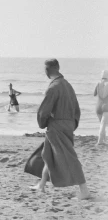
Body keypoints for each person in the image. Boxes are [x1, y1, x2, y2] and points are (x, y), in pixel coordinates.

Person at [31, 59, 90, 199]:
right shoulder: (67, 85)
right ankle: (42, 185)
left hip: (57, 125)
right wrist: (72, 124)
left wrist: (43, 123)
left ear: (47, 70)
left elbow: (43, 111)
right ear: (58, 68)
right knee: (47, 154)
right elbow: (76, 109)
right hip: (67, 124)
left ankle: (84, 191)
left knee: (70, 157)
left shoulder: (53, 88)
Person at [93, 70, 108, 145]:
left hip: (98, 107)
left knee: (102, 124)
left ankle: (104, 141)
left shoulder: (98, 83)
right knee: (103, 125)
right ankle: (99, 142)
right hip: (106, 107)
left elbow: (94, 94)